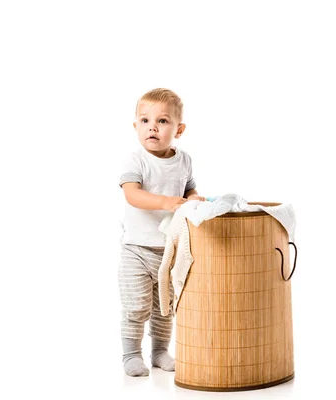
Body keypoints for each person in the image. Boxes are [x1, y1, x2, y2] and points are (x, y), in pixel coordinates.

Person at [118, 88, 205, 377]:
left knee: (164, 307)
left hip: (170, 250)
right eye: (144, 121)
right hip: (137, 250)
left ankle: (159, 351)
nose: (152, 127)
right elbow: (132, 195)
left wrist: (193, 199)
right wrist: (166, 202)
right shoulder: (137, 160)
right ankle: (131, 353)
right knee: (136, 305)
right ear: (136, 127)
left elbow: (189, 189)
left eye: (162, 121)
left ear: (178, 130)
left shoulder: (184, 160)